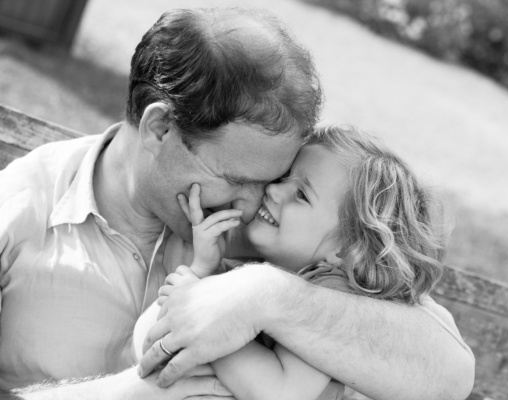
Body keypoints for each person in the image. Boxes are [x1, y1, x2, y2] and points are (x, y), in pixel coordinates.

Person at [0, 7, 474, 400]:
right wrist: (133, 393)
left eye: (279, 178)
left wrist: (266, 297)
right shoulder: (21, 210)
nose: (255, 202)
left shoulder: (275, 235)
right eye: (234, 179)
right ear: (160, 128)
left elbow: (448, 372)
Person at [134, 124, 474, 400]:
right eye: (284, 178)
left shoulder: (335, 293)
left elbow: (280, 392)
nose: (273, 191)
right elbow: (186, 316)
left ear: (345, 252)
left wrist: (208, 316)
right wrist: (205, 270)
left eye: (301, 195)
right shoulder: (289, 268)